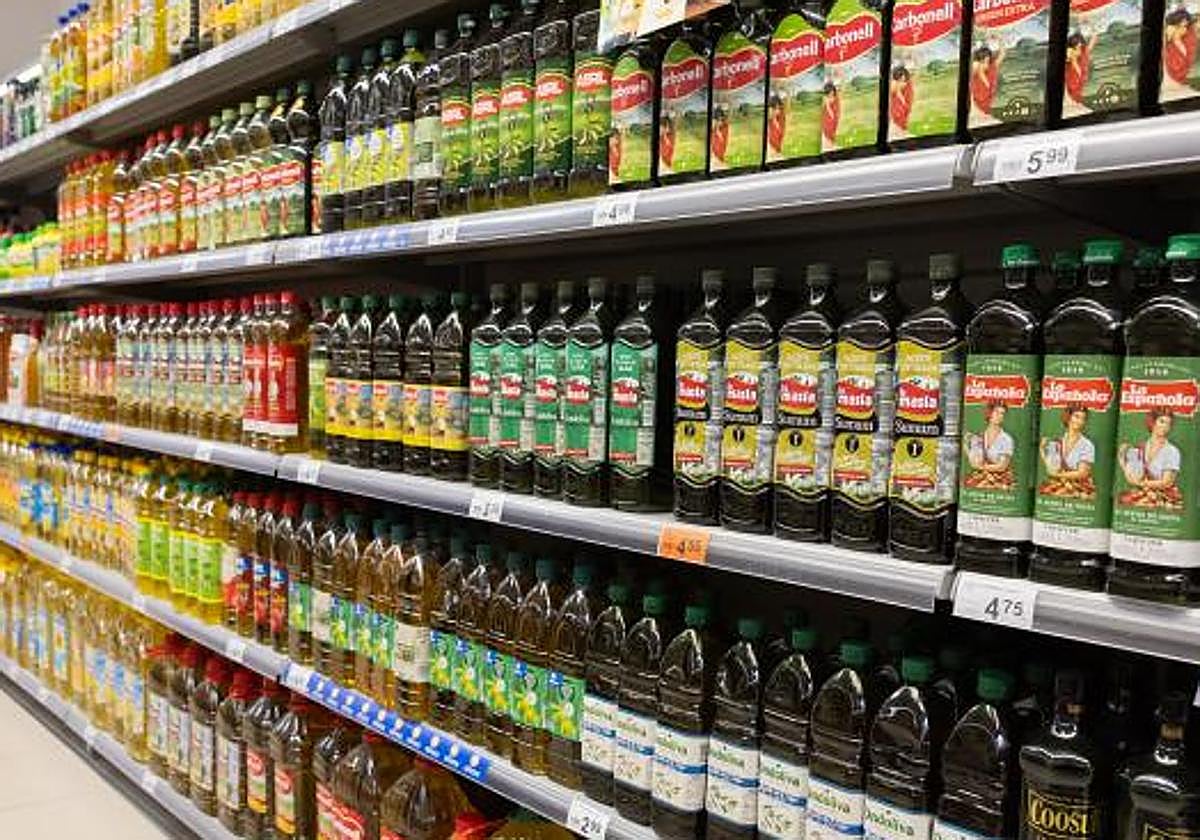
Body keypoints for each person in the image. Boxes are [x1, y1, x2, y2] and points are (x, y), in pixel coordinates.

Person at [1118, 409, 1182, 505]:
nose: (1165, 426)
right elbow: (1132, 476)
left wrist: (1141, 483)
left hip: (1164, 498)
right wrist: (1122, 459)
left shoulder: (1172, 451)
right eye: (1162, 422)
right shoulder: (1140, 448)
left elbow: (1166, 482)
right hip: (1144, 494)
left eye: (1168, 424)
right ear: (1152, 422)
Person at [1040, 406, 1096, 492]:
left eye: (1083, 419)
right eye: (1077, 417)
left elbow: (1082, 473)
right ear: (1068, 417)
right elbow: (1050, 467)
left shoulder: (1087, 445)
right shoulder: (1057, 442)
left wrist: (1057, 475)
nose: (1080, 421)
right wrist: (1042, 450)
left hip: (1079, 488)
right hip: (1058, 485)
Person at [968, 402, 1014, 474]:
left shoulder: (1006, 439)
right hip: (980, 479)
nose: (999, 416)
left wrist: (981, 467)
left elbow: (1002, 466)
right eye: (996, 412)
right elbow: (973, 463)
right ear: (989, 413)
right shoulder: (977, 438)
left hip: (999, 479)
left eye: (1002, 413)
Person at [1163, 5, 1198, 92]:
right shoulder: (1172, 29)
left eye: (1186, 21)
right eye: (1183, 21)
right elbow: (1170, 38)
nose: (1185, 23)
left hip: (1180, 44)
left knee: (1184, 58)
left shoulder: (1186, 30)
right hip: (1176, 45)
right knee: (1179, 60)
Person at [1065, 30, 1099, 110]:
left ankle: (1077, 102)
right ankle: (1076, 101)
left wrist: (1094, 33)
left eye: (1080, 43)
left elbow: (1090, 45)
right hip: (1073, 75)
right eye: (1077, 44)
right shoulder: (1071, 52)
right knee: (1074, 89)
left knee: (1078, 90)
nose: (1079, 45)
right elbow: (1074, 63)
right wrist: (1079, 73)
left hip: (1080, 73)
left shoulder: (1083, 50)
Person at [970, 43, 1005, 120]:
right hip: (981, 99)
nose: (986, 61)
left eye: (987, 58)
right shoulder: (977, 67)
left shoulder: (993, 65)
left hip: (990, 98)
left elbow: (1002, 54)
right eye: (983, 60)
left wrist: (1000, 40)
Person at [889, 65, 915, 136]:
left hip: (900, 118)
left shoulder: (907, 86)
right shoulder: (894, 86)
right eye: (900, 79)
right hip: (896, 119)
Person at [821, 82, 841, 150]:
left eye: (831, 92)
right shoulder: (827, 99)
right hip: (827, 120)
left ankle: (832, 145)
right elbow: (827, 110)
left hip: (833, 120)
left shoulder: (836, 98)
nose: (830, 94)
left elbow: (833, 115)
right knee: (829, 133)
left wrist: (828, 105)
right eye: (829, 93)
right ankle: (831, 145)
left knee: (832, 133)